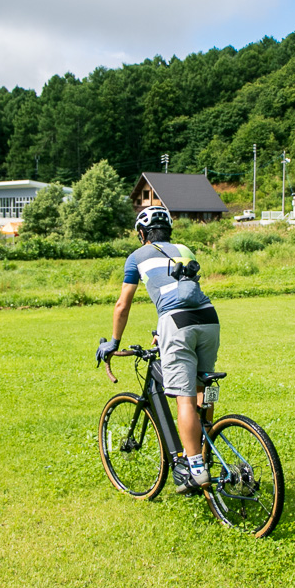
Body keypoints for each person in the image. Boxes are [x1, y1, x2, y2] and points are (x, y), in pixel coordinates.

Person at [96, 206, 220, 493]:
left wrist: (113, 342)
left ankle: (195, 469)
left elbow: (122, 305)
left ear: (142, 234)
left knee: (184, 399)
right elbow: (183, 291)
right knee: (203, 387)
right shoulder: (184, 249)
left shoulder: (137, 256)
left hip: (176, 323)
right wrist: (160, 331)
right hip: (209, 319)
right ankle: (205, 448)